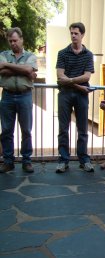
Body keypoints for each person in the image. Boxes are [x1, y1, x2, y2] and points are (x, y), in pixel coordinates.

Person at [55, 22, 95, 173]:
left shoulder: (88, 54)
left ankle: (84, 159)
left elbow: (86, 75)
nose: (73, 36)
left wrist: (69, 80)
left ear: (82, 35)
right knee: (63, 128)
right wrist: (78, 85)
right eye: (71, 33)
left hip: (80, 95)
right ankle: (63, 160)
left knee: (83, 128)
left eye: (76, 33)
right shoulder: (63, 53)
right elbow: (60, 76)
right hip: (66, 94)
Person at [0, 27, 37, 173]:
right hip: (7, 95)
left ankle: (26, 161)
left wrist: (8, 66)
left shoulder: (30, 56)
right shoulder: (3, 54)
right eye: (10, 41)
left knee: (26, 130)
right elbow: (1, 70)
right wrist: (23, 69)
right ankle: (8, 161)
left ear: (21, 40)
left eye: (15, 40)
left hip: (24, 95)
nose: (13, 43)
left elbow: (29, 70)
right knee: (7, 130)